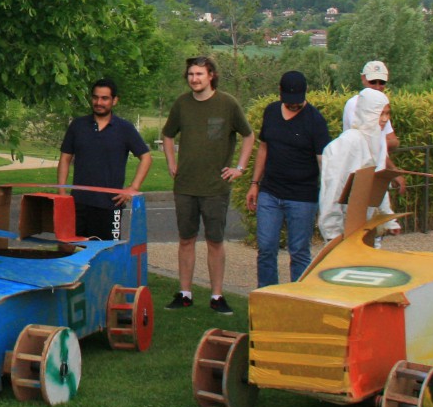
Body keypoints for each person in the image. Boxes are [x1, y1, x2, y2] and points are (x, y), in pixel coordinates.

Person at [161, 56, 254, 314]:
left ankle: (216, 296)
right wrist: (171, 162)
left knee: (215, 241)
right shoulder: (182, 104)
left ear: (211, 75)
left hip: (215, 187)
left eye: (199, 74)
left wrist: (240, 168)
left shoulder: (227, 104)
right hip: (185, 186)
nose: (194, 79)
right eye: (191, 74)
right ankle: (185, 293)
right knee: (185, 239)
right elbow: (168, 135)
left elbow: (248, 136)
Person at [246, 71, 331, 286]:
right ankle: (267, 296)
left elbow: (324, 162)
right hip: (270, 192)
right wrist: (254, 183)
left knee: (299, 251)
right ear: (280, 93)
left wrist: (328, 198)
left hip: (302, 196)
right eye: (289, 102)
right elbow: (264, 148)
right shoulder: (271, 112)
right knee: (266, 247)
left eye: (298, 102)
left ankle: (298, 299)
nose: (293, 106)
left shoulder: (315, 121)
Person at [55, 77, 151, 240]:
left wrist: (132, 188)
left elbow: (146, 157)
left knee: (109, 254)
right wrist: (62, 192)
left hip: (110, 206)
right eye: (95, 97)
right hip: (78, 204)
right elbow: (65, 159)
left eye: (105, 98)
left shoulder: (124, 128)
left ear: (114, 100)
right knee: (73, 252)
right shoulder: (77, 126)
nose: (99, 102)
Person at [317, 87, 390, 241]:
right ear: (368, 113)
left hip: (365, 226)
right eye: (380, 113)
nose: (384, 119)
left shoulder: (377, 142)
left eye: (387, 113)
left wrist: (388, 217)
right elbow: (333, 188)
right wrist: (333, 234)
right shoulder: (348, 143)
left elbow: (379, 184)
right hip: (344, 227)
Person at [341, 60, 403, 232]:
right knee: (357, 229)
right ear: (363, 79)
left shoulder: (381, 104)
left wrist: (393, 172)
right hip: (357, 174)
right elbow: (379, 143)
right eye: (373, 82)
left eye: (381, 82)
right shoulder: (355, 104)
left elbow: (389, 142)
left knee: (374, 231)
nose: (377, 86)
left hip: (373, 173)